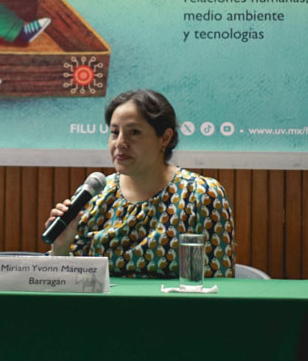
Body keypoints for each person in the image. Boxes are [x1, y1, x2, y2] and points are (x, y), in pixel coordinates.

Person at [46, 89, 235, 278]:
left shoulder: (200, 195)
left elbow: (219, 283)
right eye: (114, 132)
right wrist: (61, 247)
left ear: (165, 138)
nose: (120, 143)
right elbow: (66, 280)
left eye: (134, 132)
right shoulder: (95, 194)